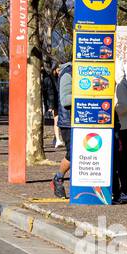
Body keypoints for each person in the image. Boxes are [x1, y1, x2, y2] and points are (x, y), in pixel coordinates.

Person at [53, 59, 74, 198]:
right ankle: (58, 178)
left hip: (85, 120)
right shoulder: (68, 73)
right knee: (73, 153)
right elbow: (65, 100)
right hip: (68, 122)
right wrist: (86, 95)